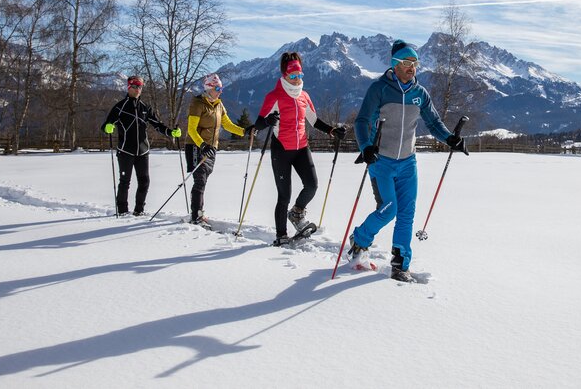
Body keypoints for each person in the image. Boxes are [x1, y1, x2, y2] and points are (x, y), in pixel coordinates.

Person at [349, 40, 468, 282]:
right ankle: (359, 239)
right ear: (395, 64)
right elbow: (361, 121)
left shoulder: (419, 93)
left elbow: (433, 123)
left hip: (407, 163)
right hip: (381, 161)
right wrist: (366, 147)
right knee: (388, 209)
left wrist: (450, 140)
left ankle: (400, 264)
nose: (412, 67)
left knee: (406, 213)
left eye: (415, 62)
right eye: (406, 62)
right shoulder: (379, 89)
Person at [251, 52, 345, 246]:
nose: (296, 80)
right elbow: (259, 123)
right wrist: (267, 121)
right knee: (284, 195)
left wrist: (332, 130)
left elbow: (314, 120)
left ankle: (297, 212)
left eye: (299, 76)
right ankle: (281, 235)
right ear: (284, 75)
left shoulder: (304, 96)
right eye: (293, 76)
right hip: (281, 149)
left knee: (312, 185)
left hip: (302, 147)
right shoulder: (274, 96)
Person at [102, 75, 181, 216]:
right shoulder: (120, 107)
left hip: (143, 151)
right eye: (135, 86)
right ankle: (122, 211)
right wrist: (108, 126)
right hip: (125, 150)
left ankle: (139, 210)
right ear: (129, 87)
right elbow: (107, 124)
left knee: (144, 181)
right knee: (125, 182)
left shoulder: (145, 107)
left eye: (140, 87)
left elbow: (157, 124)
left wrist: (171, 132)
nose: (138, 89)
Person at [185, 73, 246, 228]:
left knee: (204, 178)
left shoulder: (219, 104)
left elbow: (227, 124)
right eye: (218, 88)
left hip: (211, 148)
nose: (220, 91)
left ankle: (198, 212)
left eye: (221, 88)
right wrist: (202, 145)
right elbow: (191, 129)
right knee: (200, 179)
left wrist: (245, 132)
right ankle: (196, 215)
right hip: (195, 146)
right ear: (209, 88)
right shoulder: (198, 103)